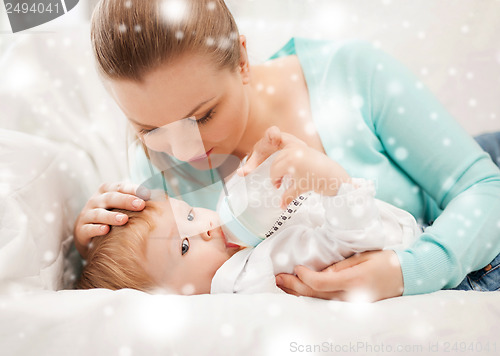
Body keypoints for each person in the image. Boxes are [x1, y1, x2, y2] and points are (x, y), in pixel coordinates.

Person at [74, 0, 500, 301]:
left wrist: (409, 271)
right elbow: (155, 271)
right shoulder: (153, 169)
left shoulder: (352, 77)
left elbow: (484, 188)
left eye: (202, 117)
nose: (185, 152)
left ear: (241, 59)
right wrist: (93, 248)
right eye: (151, 129)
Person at [77, 128, 422, 296]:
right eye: (183, 246)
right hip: (425, 253)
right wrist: (335, 185)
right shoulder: (249, 275)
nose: (207, 228)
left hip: (422, 234)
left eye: (191, 215)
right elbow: (347, 244)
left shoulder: (238, 234)